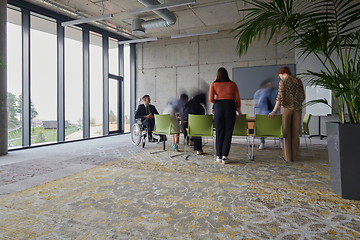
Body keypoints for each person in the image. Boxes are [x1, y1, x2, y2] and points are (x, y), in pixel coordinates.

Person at [268, 66, 305, 163]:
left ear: (282, 73)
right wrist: (296, 102)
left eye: (279, 75)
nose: (279, 77)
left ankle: (287, 158)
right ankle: (295, 157)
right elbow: (303, 96)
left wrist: (273, 111)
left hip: (286, 109)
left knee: (286, 133)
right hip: (297, 109)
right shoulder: (298, 81)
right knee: (295, 133)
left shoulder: (283, 82)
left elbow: (280, 98)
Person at [209, 67, 242, 164]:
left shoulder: (213, 84)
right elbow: (238, 99)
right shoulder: (233, 84)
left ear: (217, 75)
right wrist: (239, 111)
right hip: (230, 106)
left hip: (218, 107)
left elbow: (210, 98)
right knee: (228, 132)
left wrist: (217, 102)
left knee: (219, 132)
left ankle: (218, 156)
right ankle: (224, 157)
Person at [253, 78, 278, 149]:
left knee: (280, 123)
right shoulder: (258, 93)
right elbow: (256, 106)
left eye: (271, 86)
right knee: (261, 124)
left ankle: (282, 142)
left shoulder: (275, 92)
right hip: (263, 114)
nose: (269, 87)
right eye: (267, 86)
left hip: (274, 113)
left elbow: (279, 102)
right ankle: (262, 142)